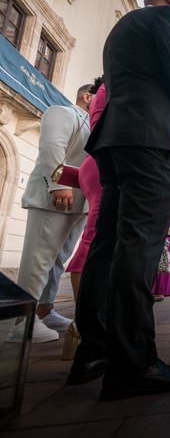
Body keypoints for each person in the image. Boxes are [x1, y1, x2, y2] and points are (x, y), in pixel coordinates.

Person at [69, 0, 170, 399]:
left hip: (115, 142)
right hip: (152, 141)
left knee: (108, 245)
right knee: (139, 246)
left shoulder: (123, 29)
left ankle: (94, 349)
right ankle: (134, 362)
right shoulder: (167, 19)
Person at [7, 84, 94, 344]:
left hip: (79, 202)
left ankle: (44, 311)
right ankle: (22, 322)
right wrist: (59, 185)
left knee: (57, 260)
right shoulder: (62, 112)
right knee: (38, 260)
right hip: (55, 197)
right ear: (87, 96)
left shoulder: (94, 123)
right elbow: (52, 147)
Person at [66, 78, 105, 303]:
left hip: (97, 164)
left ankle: (87, 312)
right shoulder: (106, 89)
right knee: (93, 235)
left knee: (96, 234)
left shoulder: (106, 90)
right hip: (100, 165)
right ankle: (82, 316)